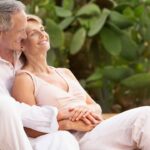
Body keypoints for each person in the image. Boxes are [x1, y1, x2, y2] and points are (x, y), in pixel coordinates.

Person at [11, 14, 150, 150]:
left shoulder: (64, 72)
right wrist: (68, 124)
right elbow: (28, 129)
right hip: (74, 139)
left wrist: (85, 109)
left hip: (96, 129)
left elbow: (95, 106)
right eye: (33, 33)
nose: (43, 34)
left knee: (147, 115)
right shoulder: (25, 79)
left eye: (42, 29)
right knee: (143, 118)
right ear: (21, 44)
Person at [0, 1, 79, 150]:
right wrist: (59, 116)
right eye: (20, 31)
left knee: (63, 139)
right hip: (5, 139)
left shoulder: (21, 53)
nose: (24, 36)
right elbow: (11, 111)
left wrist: (74, 114)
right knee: (4, 106)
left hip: (29, 139)